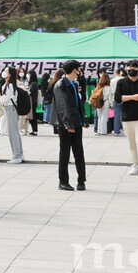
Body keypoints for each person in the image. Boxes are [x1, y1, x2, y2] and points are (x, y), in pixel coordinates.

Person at [52, 60, 87, 191]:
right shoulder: (60, 85)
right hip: (65, 124)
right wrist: (68, 123)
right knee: (65, 153)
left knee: (79, 152)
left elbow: (78, 103)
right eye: (79, 69)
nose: (80, 71)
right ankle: (63, 181)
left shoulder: (74, 83)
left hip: (76, 122)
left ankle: (81, 180)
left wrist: (83, 119)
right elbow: (62, 106)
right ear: (74, 70)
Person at [0, 66, 24, 164]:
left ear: (10, 74)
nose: (4, 72)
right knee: (15, 132)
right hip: (11, 108)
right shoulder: (9, 83)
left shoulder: (10, 85)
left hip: (10, 108)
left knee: (13, 133)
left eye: (5, 71)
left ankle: (16, 155)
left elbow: (6, 97)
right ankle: (19, 154)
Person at [27, 70, 40, 135]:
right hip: (33, 101)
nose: (28, 75)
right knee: (33, 116)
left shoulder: (33, 84)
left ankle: (34, 130)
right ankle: (34, 130)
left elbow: (30, 92)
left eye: (29, 74)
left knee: (33, 116)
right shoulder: (33, 83)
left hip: (33, 102)